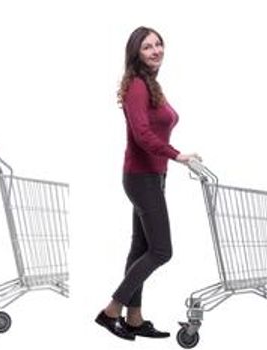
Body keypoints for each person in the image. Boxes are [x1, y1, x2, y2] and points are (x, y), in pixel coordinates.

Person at [91, 26, 193, 342]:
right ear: (136, 53)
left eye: (158, 44)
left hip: (154, 176)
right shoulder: (137, 85)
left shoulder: (151, 84)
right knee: (162, 250)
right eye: (147, 47)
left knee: (141, 248)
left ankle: (134, 319)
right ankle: (111, 311)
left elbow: (154, 130)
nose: (155, 50)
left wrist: (169, 163)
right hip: (141, 178)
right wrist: (177, 155)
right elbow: (142, 134)